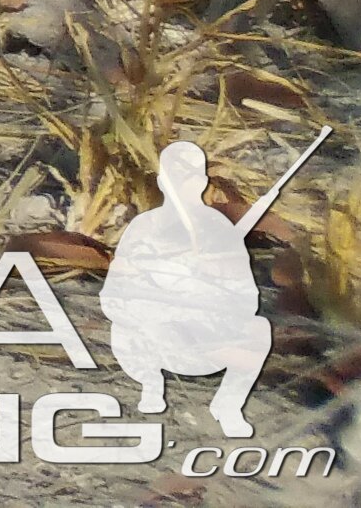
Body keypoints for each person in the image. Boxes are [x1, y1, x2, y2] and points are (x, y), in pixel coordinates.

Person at [100, 138, 276, 437]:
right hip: (152, 341)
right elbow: (112, 297)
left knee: (259, 329)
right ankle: (151, 385)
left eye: (191, 177)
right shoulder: (143, 228)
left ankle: (228, 405)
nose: (184, 186)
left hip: (205, 342)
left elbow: (248, 300)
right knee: (136, 325)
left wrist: (218, 282)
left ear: (203, 182)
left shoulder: (220, 229)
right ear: (162, 182)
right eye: (176, 178)